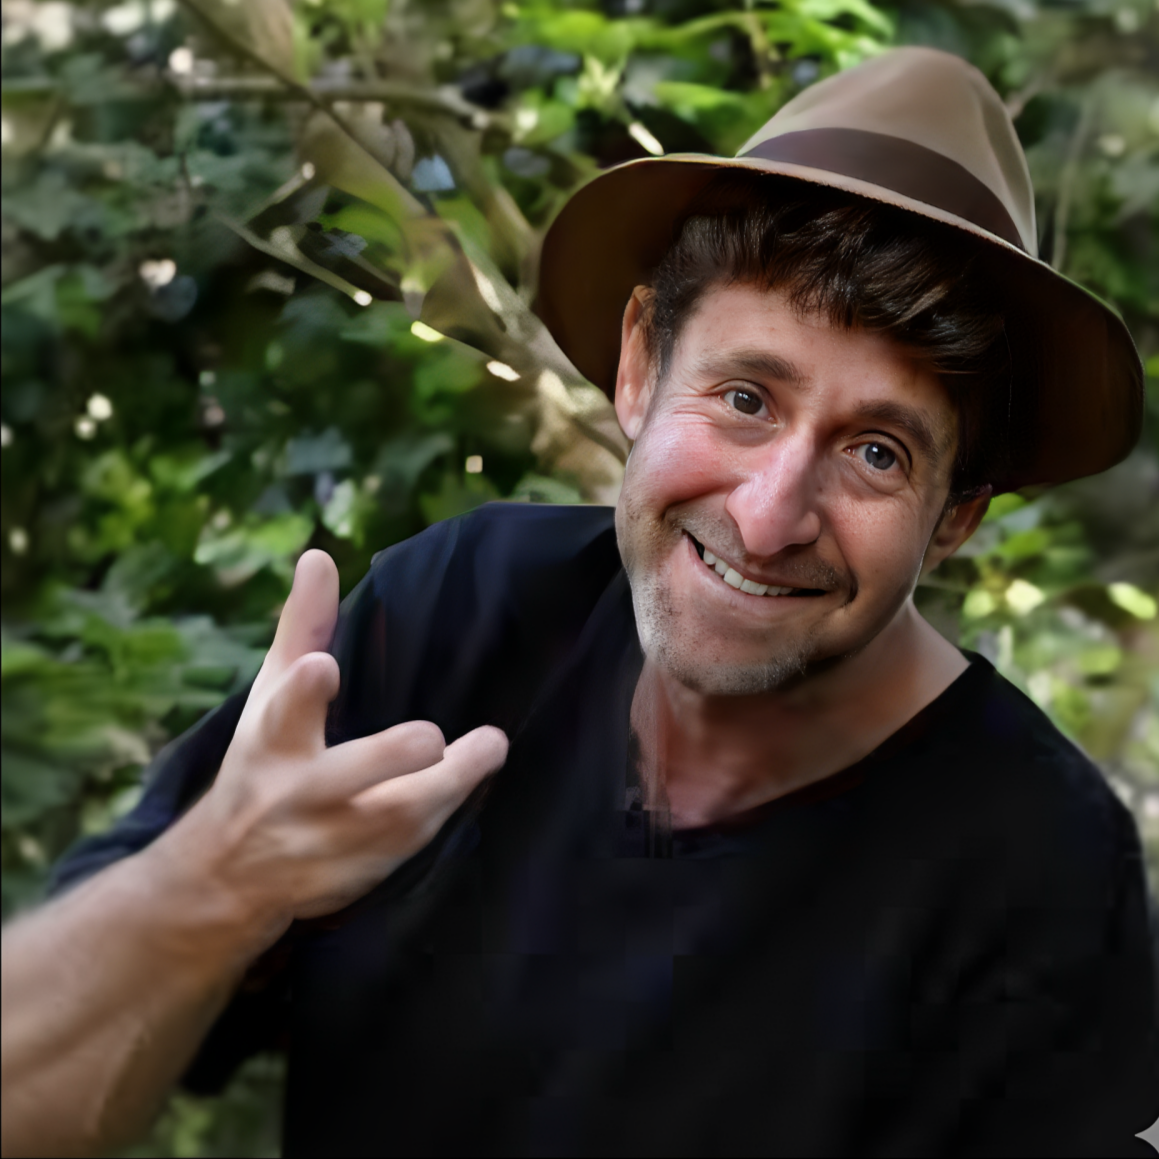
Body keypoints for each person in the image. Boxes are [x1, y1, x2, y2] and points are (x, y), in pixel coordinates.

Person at [3, 47, 1157, 1159]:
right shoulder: (460, 611)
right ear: (640, 365)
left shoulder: (1033, 868)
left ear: (955, 517)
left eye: (875, 454)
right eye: (745, 397)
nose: (767, 518)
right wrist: (218, 876)